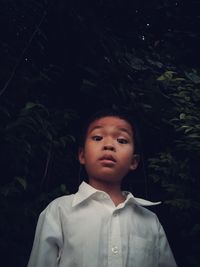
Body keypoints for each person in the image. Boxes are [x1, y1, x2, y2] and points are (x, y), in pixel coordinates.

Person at [27, 109, 177, 267]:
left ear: (134, 162)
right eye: (98, 138)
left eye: (122, 140)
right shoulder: (59, 211)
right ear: (82, 155)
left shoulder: (150, 221)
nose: (109, 145)